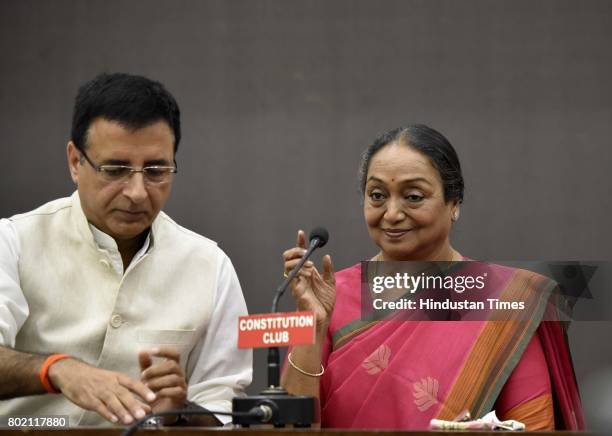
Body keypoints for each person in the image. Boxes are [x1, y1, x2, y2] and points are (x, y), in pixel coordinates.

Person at [281, 125, 585, 430]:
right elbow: (290, 427)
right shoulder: (331, 296)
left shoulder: (505, 299)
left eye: (413, 197)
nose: (391, 213)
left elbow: (532, 426)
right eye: (377, 195)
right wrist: (313, 325)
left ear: (454, 204)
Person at [0, 73, 252, 426]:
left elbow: (227, 413)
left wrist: (180, 411)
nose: (137, 192)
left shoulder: (208, 266)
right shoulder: (14, 243)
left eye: (156, 170)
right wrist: (55, 369)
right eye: (115, 169)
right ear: (75, 162)